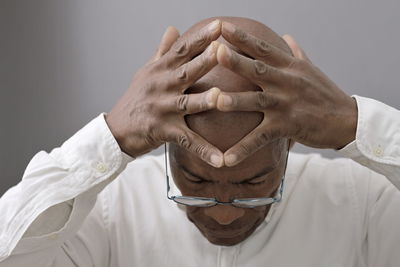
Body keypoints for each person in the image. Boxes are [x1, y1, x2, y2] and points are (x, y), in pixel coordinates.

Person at [0, 16, 399, 266]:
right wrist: (112, 136)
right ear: (166, 141)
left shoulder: (362, 200)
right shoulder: (105, 208)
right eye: (196, 183)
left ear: (290, 143)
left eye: (252, 184)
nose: (224, 215)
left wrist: (355, 124)